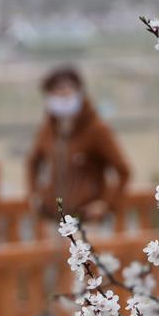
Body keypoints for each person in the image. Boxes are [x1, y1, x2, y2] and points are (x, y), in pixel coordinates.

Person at [27, 66, 131, 222]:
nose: (62, 96)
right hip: (55, 219)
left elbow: (123, 171)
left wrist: (105, 204)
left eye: (67, 90)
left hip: (87, 220)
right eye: (56, 92)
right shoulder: (48, 129)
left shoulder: (96, 129)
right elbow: (32, 162)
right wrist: (35, 195)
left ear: (79, 92)